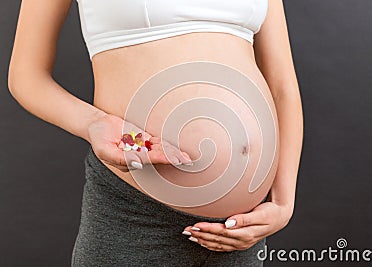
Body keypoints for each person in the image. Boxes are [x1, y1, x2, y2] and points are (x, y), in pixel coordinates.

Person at [8, 0, 303, 266]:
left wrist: (282, 203)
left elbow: (282, 86)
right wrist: (93, 123)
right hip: (136, 218)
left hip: (240, 231)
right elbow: (25, 76)